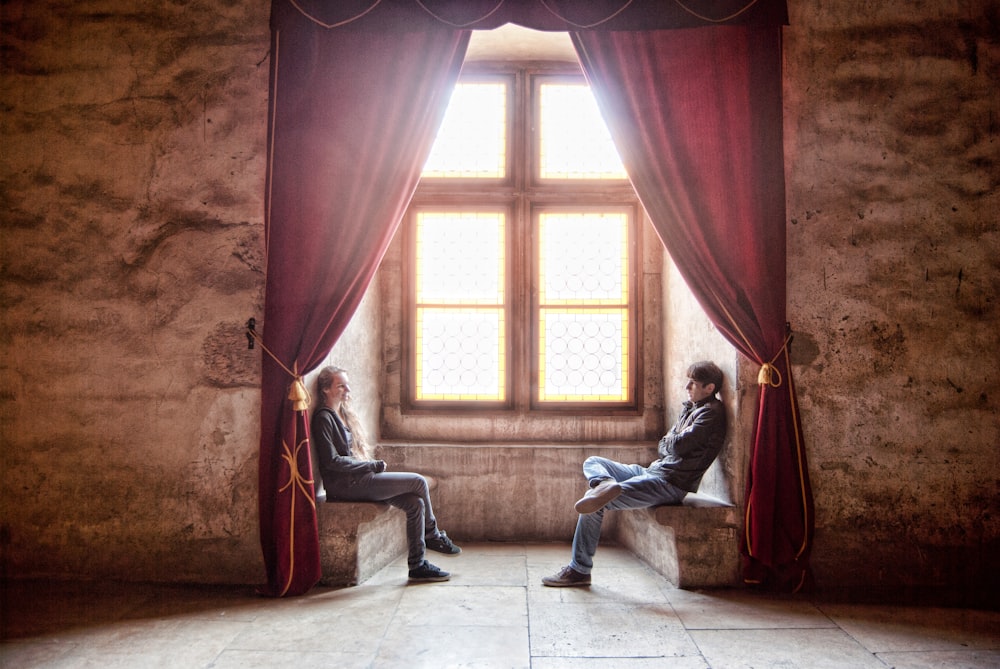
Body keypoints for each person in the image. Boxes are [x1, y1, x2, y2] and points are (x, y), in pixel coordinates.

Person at [542, 360, 728, 587]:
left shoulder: (711, 414)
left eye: (693, 383)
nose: (687, 387)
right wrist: (671, 441)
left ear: (709, 388)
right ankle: (604, 482)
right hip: (652, 471)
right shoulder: (691, 408)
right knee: (593, 461)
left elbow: (675, 445)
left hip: (668, 483)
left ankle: (579, 570)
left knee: (594, 503)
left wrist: (671, 441)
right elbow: (663, 444)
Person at [311, 365, 461, 583]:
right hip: (346, 486)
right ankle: (433, 535)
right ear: (325, 389)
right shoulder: (323, 418)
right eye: (341, 386)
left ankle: (417, 565)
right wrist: (369, 467)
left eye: (347, 384)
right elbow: (331, 462)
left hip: (358, 479)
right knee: (418, 482)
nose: (347, 390)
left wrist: (368, 466)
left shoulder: (341, 414)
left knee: (414, 504)